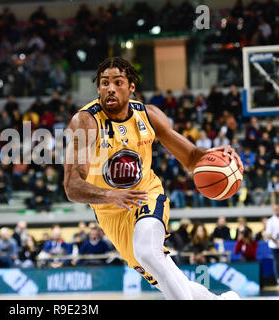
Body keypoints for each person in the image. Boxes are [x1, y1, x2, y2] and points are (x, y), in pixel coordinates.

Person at [63, 56, 243, 300]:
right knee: (162, 277)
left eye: (117, 82)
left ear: (131, 87)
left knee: (148, 252)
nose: (110, 89)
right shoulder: (85, 122)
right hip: (109, 211)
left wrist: (216, 153)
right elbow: (72, 186)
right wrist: (109, 195)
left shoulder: (149, 115)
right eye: (104, 83)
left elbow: (191, 158)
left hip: (146, 194)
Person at [265, 204, 279, 281]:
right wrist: (276, 242)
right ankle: (278, 278)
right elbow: (268, 234)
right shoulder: (270, 221)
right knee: (277, 261)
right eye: (275, 209)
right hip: (274, 245)